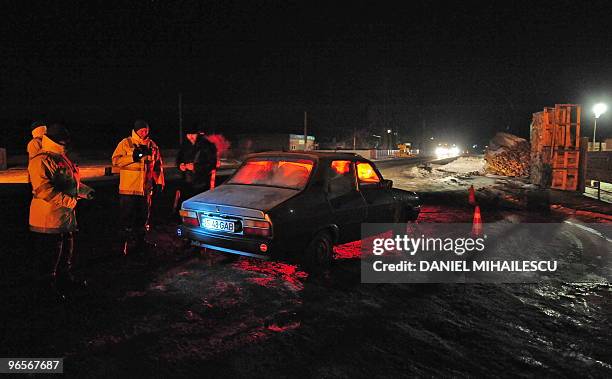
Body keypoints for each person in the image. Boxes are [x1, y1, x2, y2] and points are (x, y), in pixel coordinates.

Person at [28, 124, 94, 297]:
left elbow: (70, 183)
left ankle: (65, 279)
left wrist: (85, 192)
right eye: (63, 138)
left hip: (64, 215)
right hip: (48, 217)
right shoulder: (41, 160)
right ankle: (46, 287)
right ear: (54, 139)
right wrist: (70, 202)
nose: (66, 142)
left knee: (66, 249)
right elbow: (44, 190)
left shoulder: (61, 157)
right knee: (50, 253)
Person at [112, 119, 165, 256]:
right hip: (128, 190)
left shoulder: (153, 146)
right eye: (141, 130)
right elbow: (116, 161)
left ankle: (141, 242)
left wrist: (159, 182)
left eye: (146, 130)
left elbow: (158, 166)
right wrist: (133, 156)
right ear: (135, 130)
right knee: (126, 218)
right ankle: (122, 245)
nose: (144, 132)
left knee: (143, 218)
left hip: (145, 189)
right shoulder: (126, 143)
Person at [174, 126, 218, 214]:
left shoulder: (207, 145)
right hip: (187, 181)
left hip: (201, 183)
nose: (190, 137)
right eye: (188, 134)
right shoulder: (185, 145)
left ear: (198, 134)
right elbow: (179, 159)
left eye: (193, 134)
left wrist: (195, 167)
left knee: (201, 208)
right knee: (186, 206)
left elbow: (212, 164)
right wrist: (180, 165)